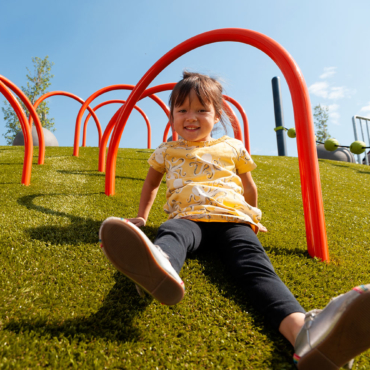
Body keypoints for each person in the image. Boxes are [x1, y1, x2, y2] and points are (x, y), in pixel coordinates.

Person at [99, 72, 370, 369]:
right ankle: (161, 266)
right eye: (182, 110)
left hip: (232, 220)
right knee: (172, 234)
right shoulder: (167, 150)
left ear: (217, 117)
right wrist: (142, 216)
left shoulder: (232, 146)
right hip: (188, 217)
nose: (191, 117)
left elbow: (249, 186)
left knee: (255, 267)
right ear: (172, 115)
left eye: (202, 110)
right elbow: (150, 184)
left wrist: (251, 215)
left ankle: (305, 334)